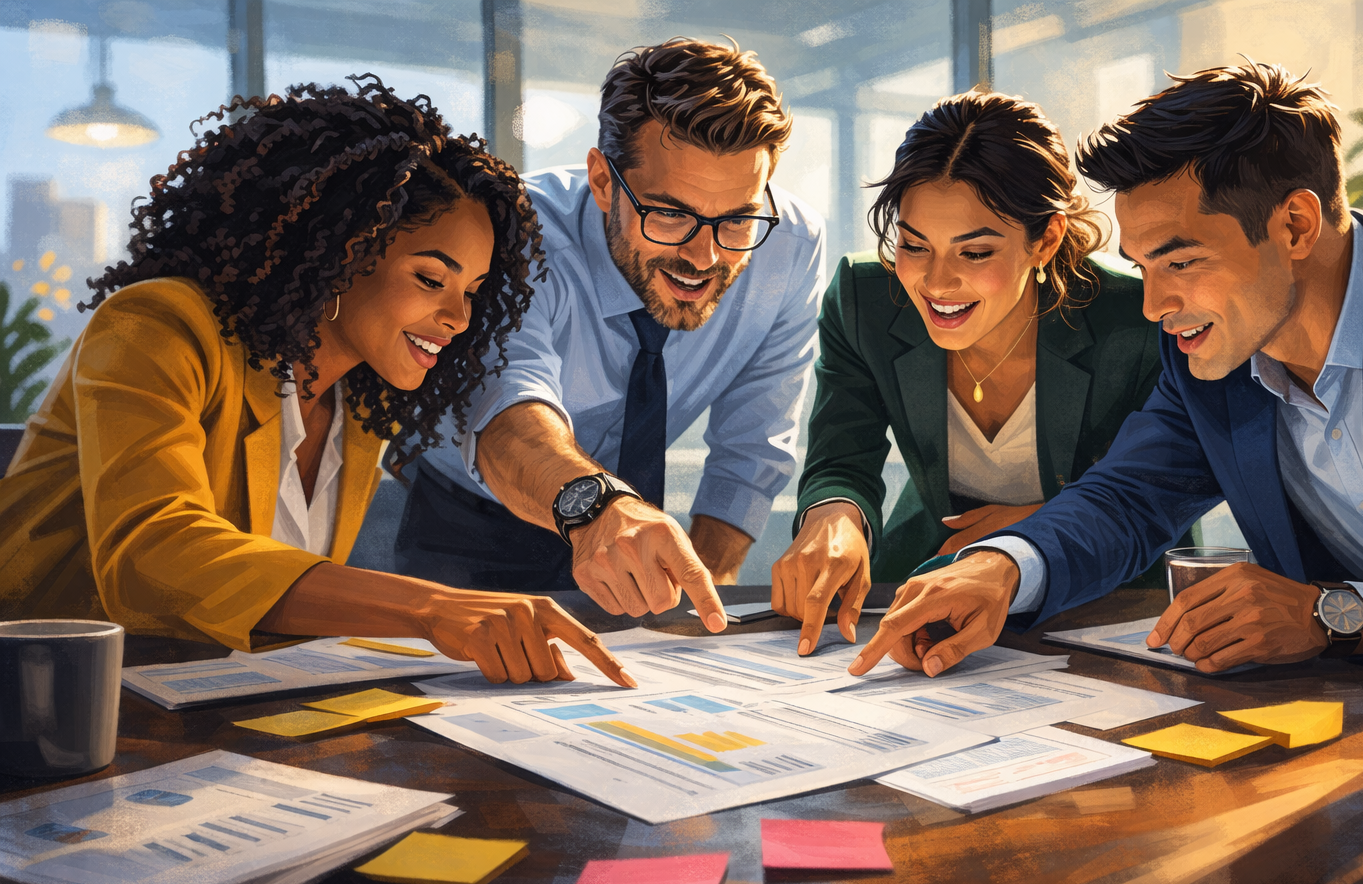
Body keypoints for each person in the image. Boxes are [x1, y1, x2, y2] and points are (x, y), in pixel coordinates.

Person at [849, 59, 1363, 680]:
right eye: (1143, 267)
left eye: (1180, 262)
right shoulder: (1214, 353)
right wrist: (1000, 569)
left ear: (1294, 226)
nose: (1154, 305)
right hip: (1361, 717)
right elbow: (1125, 498)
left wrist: (1331, 615)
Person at [0, 76, 633, 688]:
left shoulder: (358, 406)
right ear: (341, 253)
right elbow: (152, 557)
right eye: (430, 279)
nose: (459, 317)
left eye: (471, 291)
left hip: (205, 704)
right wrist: (432, 607)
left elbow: (285, 608)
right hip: (46, 706)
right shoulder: (159, 325)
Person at [394, 38, 824, 632]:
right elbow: (507, 406)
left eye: (736, 220)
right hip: (475, 518)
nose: (704, 257)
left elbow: (752, 447)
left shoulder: (790, 247)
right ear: (602, 180)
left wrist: (705, 596)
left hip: (634, 524)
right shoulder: (519, 227)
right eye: (669, 214)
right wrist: (595, 508)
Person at [772, 90, 1170, 655]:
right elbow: (842, 459)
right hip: (928, 581)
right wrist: (834, 516)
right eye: (914, 244)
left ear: (1046, 239)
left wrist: (1040, 529)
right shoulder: (865, 300)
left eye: (975, 253)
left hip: (1106, 605)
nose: (936, 283)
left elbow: (1167, 482)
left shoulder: (1139, 317)